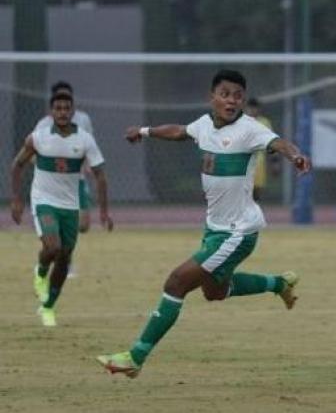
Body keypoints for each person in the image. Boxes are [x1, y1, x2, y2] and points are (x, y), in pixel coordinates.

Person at [96, 69, 311, 378]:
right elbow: (179, 132)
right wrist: (144, 131)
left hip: (238, 232)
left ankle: (135, 357)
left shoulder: (249, 129)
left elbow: (279, 143)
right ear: (212, 97)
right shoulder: (203, 125)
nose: (232, 100)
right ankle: (279, 283)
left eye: (238, 95)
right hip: (214, 229)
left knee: (176, 282)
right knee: (214, 292)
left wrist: (296, 156)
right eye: (225, 94)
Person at [10, 88, 113, 327]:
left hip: (70, 205)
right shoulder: (38, 137)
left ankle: (48, 307)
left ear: (73, 111)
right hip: (44, 200)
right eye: (58, 108)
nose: (63, 112)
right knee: (53, 247)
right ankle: (41, 270)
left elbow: (100, 176)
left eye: (67, 108)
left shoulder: (85, 139)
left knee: (65, 258)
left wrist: (104, 211)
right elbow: (18, 164)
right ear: (51, 112)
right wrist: (16, 199)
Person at [35, 81, 95, 277]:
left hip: (76, 181)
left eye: (67, 100)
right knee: (60, 232)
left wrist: (88, 164)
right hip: (53, 186)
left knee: (83, 225)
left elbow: (89, 146)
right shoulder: (43, 125)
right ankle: (62, 263)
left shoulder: (83, 119)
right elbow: (30, 155)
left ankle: (61, 252)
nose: (63, 108)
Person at [245, 97, 278, 201]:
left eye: (255, 108)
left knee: (256, 194)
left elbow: (271, 144)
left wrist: (275, 162)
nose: (253, 110)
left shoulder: (264, 123)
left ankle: (252, 215)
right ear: (246, 108)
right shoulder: (240, 122)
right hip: (242, 161)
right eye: (250, 108)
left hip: (259, 162)